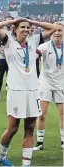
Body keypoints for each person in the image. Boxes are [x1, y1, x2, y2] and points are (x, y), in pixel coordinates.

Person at [0, 18, 58, 166]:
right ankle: (0, 158)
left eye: (28, 27)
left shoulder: (34, 41)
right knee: (13, 128)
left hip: (33, 91)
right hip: (16, 91)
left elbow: (53, 27)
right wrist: (15, 20)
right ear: (15, 29)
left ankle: (26, 164)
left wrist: (31, 21)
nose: (26, 29)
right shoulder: (8, 41)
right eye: (22, 27)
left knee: (30, 128)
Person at [33, 22, 64, 151]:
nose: (57, 33)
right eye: (54, 30)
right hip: (45, 83)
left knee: (62, 115)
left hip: (61, 83)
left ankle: (63, 142)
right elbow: (36, 54)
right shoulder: (45, 46)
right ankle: (39, 143)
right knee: (41, 114)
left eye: (60, 30)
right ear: (50, 32)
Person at [0, 16, 13, 99]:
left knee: (12, 75)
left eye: (10, 21)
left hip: (12, 58)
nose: (8, 23)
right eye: (7, 21)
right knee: (0, 75)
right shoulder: (1, 32)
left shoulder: (15, 32)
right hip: (2, 57)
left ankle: (12, 92)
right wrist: (3, 51)